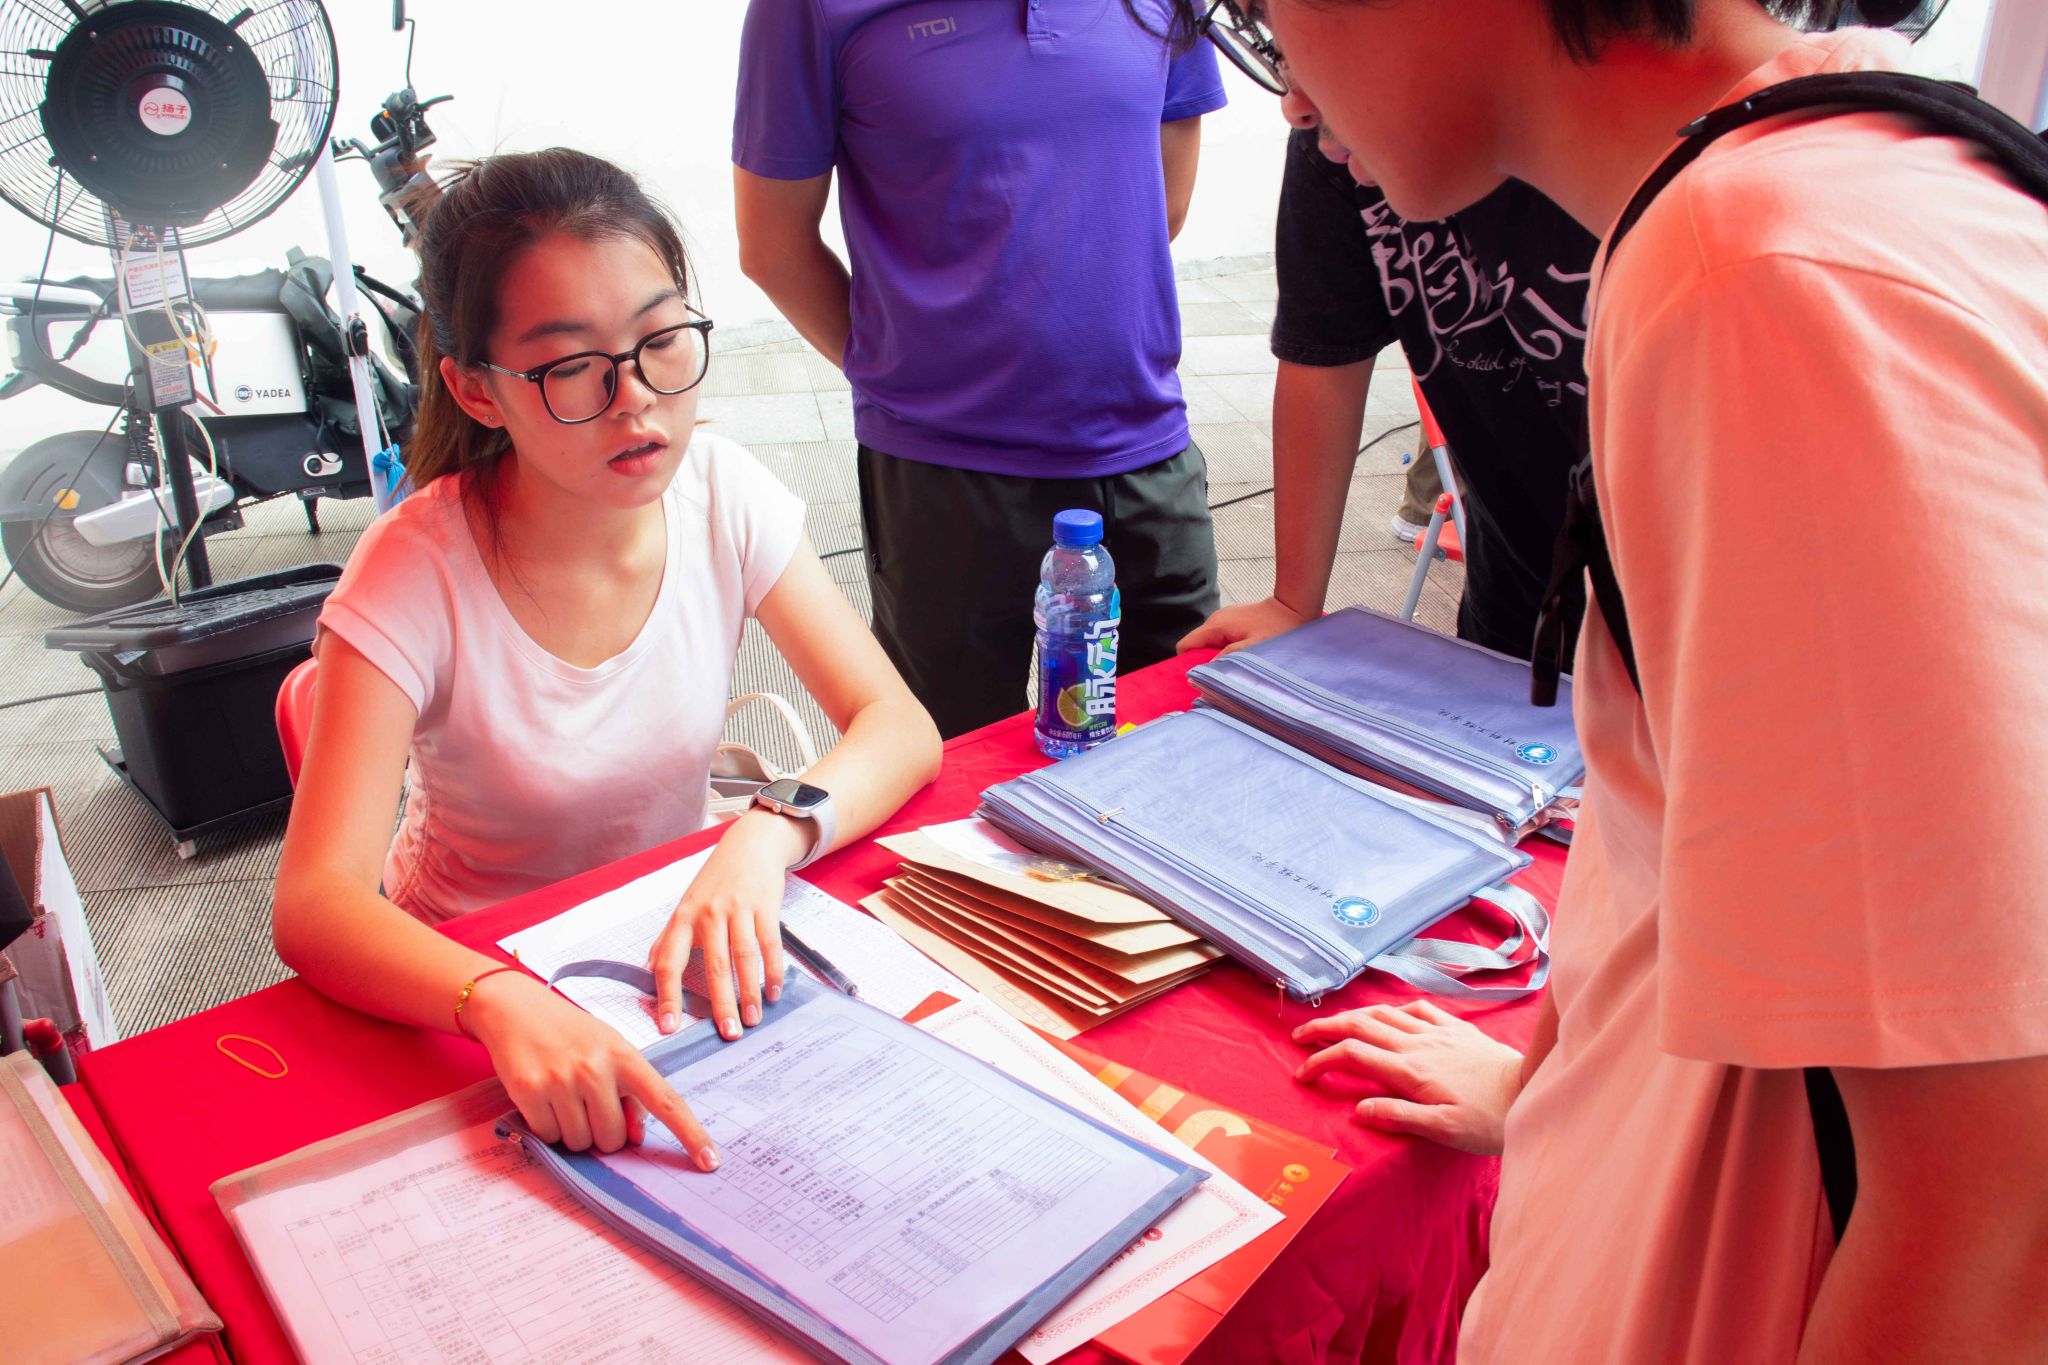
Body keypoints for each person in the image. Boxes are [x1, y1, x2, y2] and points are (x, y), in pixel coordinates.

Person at [1183, 1, 2048, 1361]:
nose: (1287, 87)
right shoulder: (1820, 181)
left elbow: (1990, 1205)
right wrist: (1554, 1084)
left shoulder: (1758, 279)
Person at [272, 149, 942, 1170]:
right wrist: (493, 998)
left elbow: (898, 727)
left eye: (659, 341)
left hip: (659, 935)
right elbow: (316, 905)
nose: (634, 400)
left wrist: (764, 835)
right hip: (469, 977)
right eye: (569, 366)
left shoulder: (719, 490)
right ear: (476, 391)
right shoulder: (414, 570)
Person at [732, 0, 1228, 738]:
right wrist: (904, 376)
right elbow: (773, 247)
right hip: (945, 475)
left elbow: (1164, 202)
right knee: (949, 767)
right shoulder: (809, 10)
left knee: (1183, 747)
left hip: (1146, 451)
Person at [1182, 123, 1595, 660]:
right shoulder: (1331, 124)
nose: (1299, 112)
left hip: (1681, 609)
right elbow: (1323, 355)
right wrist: (1293, 602)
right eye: (1281, 77)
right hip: (1520, 589)